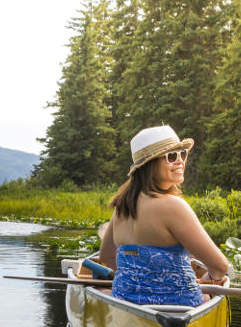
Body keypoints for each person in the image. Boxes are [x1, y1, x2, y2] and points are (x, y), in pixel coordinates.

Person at [98, 125, 229, 306]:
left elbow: (106, 256)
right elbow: (220, 266)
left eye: (182, 154)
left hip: (125, 301)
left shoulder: (122, 206)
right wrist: (209, 281)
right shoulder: (173, 206)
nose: (180, 161)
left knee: (104, 290)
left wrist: (141, 280)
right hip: (178, 306)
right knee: (207, 296)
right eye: (171, 156)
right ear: (149, 165)